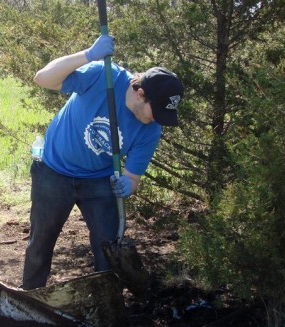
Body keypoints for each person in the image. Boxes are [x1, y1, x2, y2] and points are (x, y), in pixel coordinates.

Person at [21, 35, 184, 290]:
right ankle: (29, 298)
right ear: (141, 93)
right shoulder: (103, 77)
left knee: (107, 247)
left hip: (100, 180)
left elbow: (133, 177)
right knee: (40, 241)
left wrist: (128, 186)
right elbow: (43, 78)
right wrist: (88, 54)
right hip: (53, 171)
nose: (158, 120)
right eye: (158, 111)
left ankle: (107, 302)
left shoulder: (151, 130)